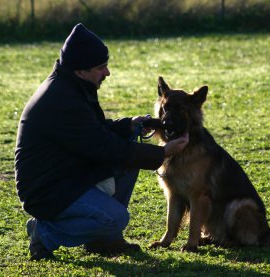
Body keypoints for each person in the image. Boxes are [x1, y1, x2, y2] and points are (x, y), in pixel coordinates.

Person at [14, 23, 189, 261]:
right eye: (101, 67)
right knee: (116, 219)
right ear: (80, 70)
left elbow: (93, 132)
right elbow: (103, 145)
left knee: (127, 156)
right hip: (47, 190)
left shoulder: (71, 86)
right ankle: (44, 233)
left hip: (65, 174)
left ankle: (103, 241)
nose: (107, 73)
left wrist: (128, 125)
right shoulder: (63, 99)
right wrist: (164, 152)